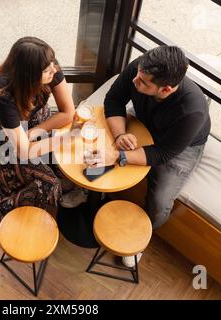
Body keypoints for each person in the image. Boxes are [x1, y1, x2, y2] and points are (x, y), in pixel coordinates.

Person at [90, 46, 211, 266]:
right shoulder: (141, 68)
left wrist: (118, 156)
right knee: (96, 147)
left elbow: (163, 153)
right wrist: (119, 136)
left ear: (165, 90)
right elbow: (114, 100)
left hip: (178, 146)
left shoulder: (192, 111)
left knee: (160, 200)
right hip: (144, 119)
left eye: (143, 82)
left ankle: (137, 240)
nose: (135, 81)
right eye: (137, 75)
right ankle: (87, 193)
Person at [0, 37, 77, 229]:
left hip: (32, 121)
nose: (55, 70)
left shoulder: (48, 65)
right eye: (47, 70)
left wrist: (37, 131)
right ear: (29, 76)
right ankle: (7, 210)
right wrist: (66, 138)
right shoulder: (0, 94)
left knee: (65, 157)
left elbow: (68, 112)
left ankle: (58, 184)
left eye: (53, 64)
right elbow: (24, 151)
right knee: (49, 183)